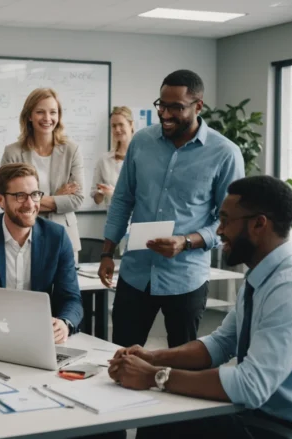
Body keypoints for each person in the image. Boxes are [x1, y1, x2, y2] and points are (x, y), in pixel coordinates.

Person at [108, 175, 292, 438]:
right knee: (160, 414)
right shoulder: (264, 276)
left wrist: (154, 376)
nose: (218, 231)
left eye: (226, 220)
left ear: (258, 224)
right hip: (256, 415)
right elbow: (219, 344)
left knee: (162, 423)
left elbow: (251, 385)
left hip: (285, 428)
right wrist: (152, 357)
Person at [98, 70, 245, 350]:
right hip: (135, 273)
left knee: (183, 360)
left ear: (198, 106)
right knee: (120, 354)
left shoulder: (224, 153)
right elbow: (123, 199)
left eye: (175, 107)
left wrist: (187, 242)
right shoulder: (141, 142)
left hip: (186, 277)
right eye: (161, 105)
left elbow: (229, 221)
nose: (165, 114)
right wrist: (107, 251)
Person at [0, 163, 82, 343]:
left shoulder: (56, 237)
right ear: (0, 200)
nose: (30, 204)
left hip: (41, 337)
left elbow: (71, 298)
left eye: (35, 195)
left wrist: (64, 323)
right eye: (20, 196)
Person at [1, 87, 85, 253]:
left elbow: (77, 199)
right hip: (22, 235)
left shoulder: (72, 150)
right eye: (40, 112)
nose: (47, 118)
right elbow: (6, 200)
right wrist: (57, 198)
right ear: (29, 116)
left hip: (65, 236)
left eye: (53, 112)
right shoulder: (12, 152)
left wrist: (27, 200)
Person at [92, 106, 134, 207]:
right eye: (114, 126)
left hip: (137, 218)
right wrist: (100, 192)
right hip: (113, 218)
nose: (117, 129)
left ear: (131, 125)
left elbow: (144, 196)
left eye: (121, 125)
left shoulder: (141, 157)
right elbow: (97, 200)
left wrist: (113, 193)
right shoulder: (104, 160)